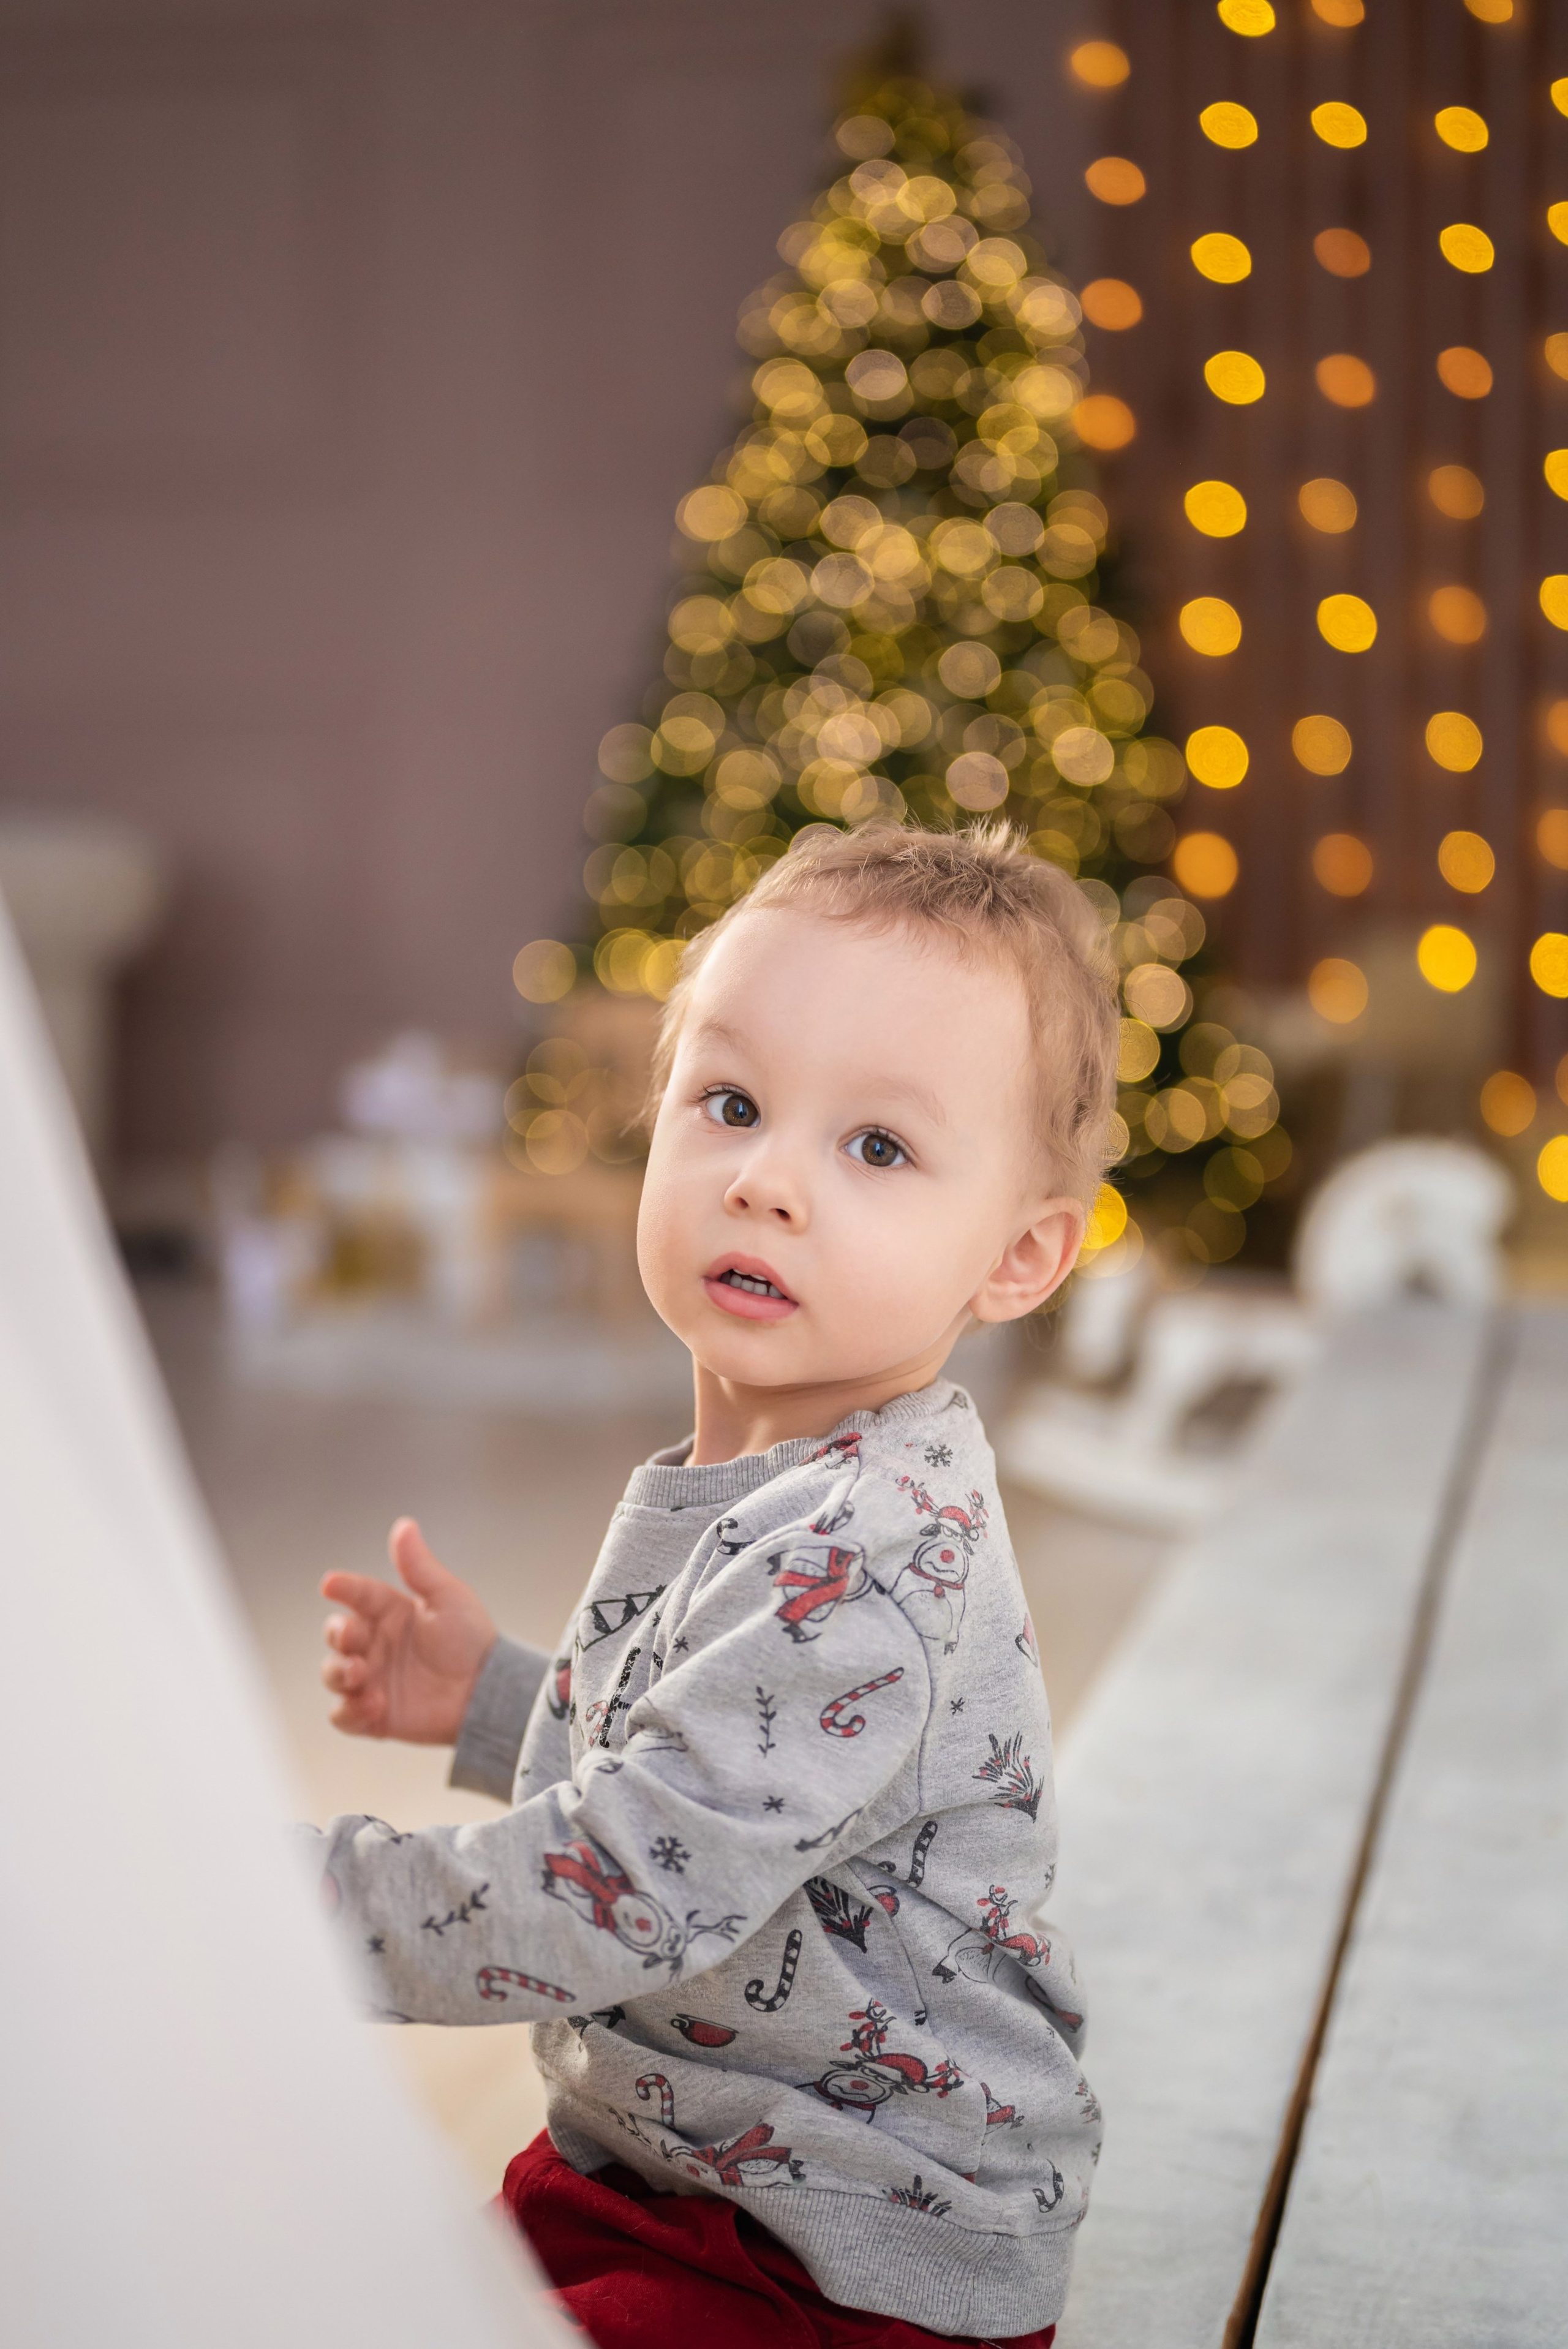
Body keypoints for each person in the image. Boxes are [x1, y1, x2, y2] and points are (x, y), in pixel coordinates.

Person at [310, 823, 1117, 2348]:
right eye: (732, 1105)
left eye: (875, 1147)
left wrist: (278, 1908)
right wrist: (502, 1701)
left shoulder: (867, 1548)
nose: (765, 1183)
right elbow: (718, 1778)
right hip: (667, 2159)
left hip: (847, 2256)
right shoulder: (771, 1477)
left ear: (1016, 1256)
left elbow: (621, 1886)